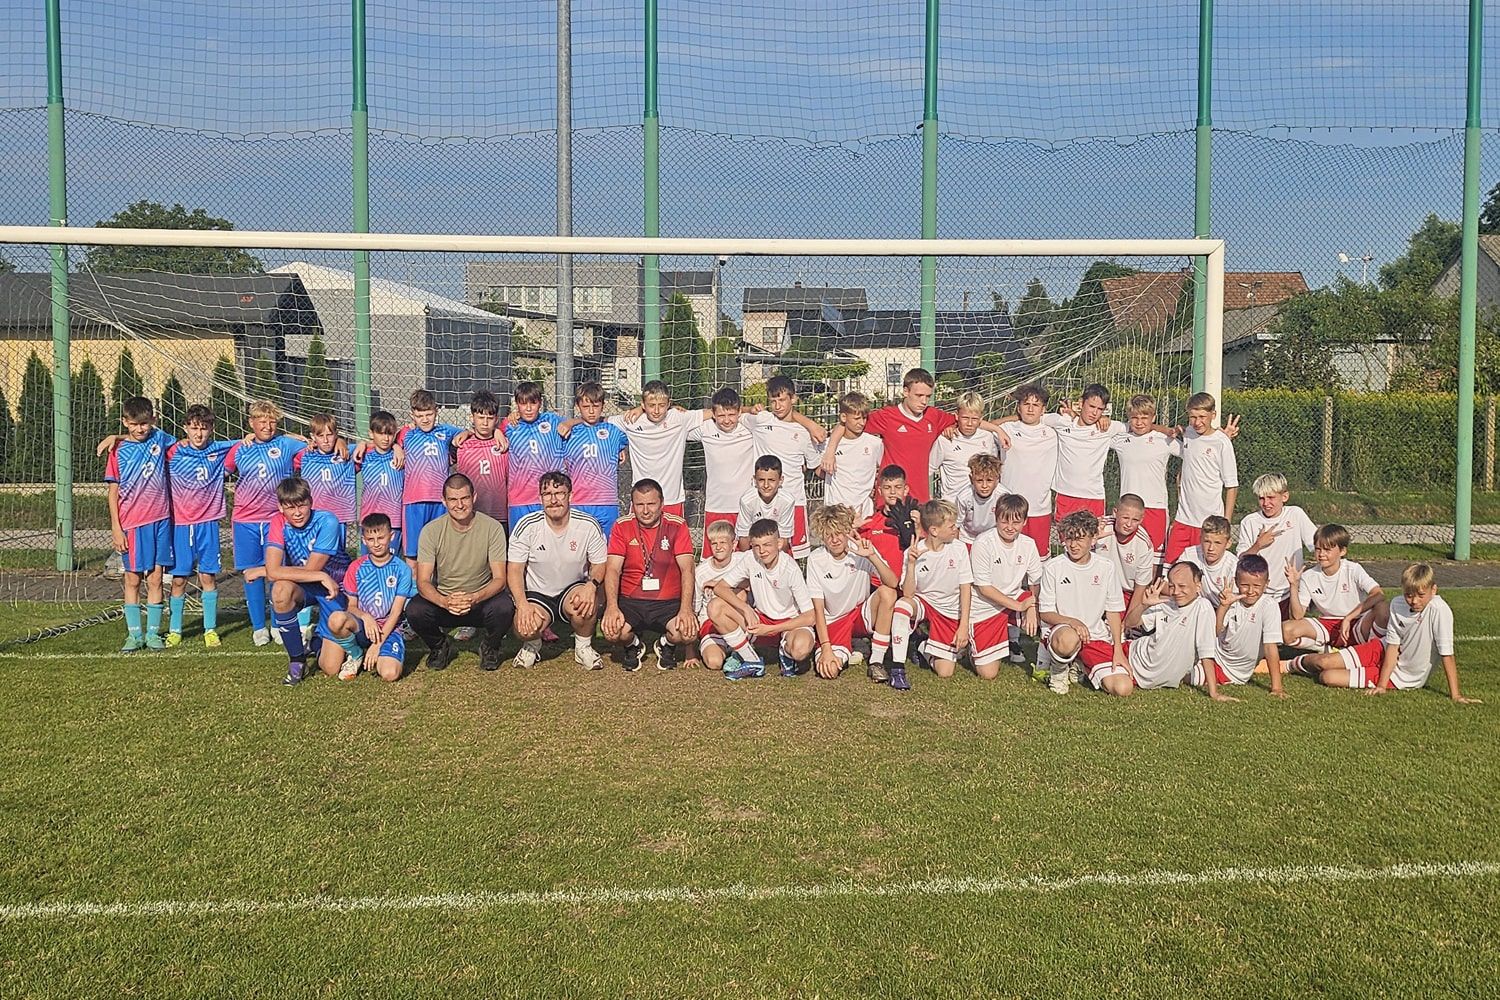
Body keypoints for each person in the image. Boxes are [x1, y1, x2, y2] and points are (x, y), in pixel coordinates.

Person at [1287, 563, 1480, 702]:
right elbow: (1392, 646)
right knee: (1324, 662)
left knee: (1327, 677)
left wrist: (1456, 696)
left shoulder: (1439, 610)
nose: (1414, 601)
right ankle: (1289, 665)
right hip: (1381, 649)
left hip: (1402, 676)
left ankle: (1325, 657)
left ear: (1434, 590)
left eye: (1421, 595)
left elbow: (1447, 655)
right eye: (1409, 595)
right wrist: (1380, 685)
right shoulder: (1397, 603)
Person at [405, 473, 515, 672]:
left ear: (474, 497)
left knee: (505, 607)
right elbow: (423, 581)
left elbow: (500, 579)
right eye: (453, 499)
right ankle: (439, 646)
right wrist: (444, 601)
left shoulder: (493, 527)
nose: (460, 505)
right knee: (415, 610)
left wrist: (475, 597)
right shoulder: (430, 531)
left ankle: (490, 646)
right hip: (446, 601)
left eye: (464, 498)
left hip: (480, 600)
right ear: (444, 501)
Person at [507, 471, 609, 670]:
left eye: (560, 493)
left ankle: (583, 647)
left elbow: (599, 563)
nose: (553, 500)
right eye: (547, 494)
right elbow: (514, 569)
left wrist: (591, 586)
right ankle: (532, 645)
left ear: (570, 496)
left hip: (573, 591)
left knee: (586, 603)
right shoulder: (527, 526)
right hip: (538, 594)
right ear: (540, 498)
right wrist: (522, 604)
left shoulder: (588, 525)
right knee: (523, 628)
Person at [226, 399, 308, 646]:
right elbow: (220, 466)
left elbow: (313, 445)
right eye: (262, 421)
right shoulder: (240, 448)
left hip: (276, 519)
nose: (267, 426)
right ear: (251, 423)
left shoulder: (286, 444)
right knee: (252, 574)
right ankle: (259, 627)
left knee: (278, 573)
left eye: (272, 421)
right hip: (245, 521)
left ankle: (280, 623)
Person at [601, 478, 698, 672]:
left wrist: (686, 609)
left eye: (651, 504)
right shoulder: (621, 526)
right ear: (633, 505)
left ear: (661, 504)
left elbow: (687, 569)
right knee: (613, 632)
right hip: (631, 600)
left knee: (688, 634)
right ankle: (633, 645)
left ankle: (666, 644)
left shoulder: (677, 525)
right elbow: (612, 569)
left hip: (667, 602)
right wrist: (611, 607)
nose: (645, 510)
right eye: (640, 505)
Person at [103, 396, 175, 652]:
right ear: (125, 422)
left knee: (155, 579)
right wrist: (116, 527)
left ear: (153, 420)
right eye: (133, 424)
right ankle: (134, 635)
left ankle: (153, 634)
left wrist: (116, 435)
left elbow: (183, 442)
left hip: (161, 520)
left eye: (144, 424)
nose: (139, 429)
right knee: (132, 579)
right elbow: (113, 493)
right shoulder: (117, 452)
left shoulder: (160, 438)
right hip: (132, 524)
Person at [264, 476, 351, 686]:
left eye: (302, 505)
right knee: (280, 591)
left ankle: (316, 640)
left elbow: (312, 569)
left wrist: (319, 575)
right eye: (290, 507)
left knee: (331, 667)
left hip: (336, 588)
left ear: (311, 502)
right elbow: (273, 573)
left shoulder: (327, 521)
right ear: (280, 507)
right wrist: (320, 576)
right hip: (310, 584)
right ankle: (297, 660)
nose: (297, 512)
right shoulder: (277, 522)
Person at [708, 518, 817, 680]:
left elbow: (810, 616)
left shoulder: (790, 568)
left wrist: (772, 629)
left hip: (789, 623)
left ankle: (785, 652)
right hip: (760, 620)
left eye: (767, 545)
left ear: (779, 543)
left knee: (800, 649)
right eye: (756, 546)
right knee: (715, 606)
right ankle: (751, 660)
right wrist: (746, 608)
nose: (762, 551)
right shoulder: (750, 558)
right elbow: (720, 587)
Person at [163, 404, 234, 647]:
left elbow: (248, 442)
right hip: (181, 526)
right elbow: (145, 439)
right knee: (179, 580)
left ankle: (210, 629)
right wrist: (115, 437)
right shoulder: (174, 451)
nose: (199, 434)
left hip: (208, 524)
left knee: (207, 576)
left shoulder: (219, 449)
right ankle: (175, 630)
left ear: (211, 429)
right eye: (194, 428)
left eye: (204, 428)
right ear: (185, 428)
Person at [1038, 510, 1127, 696]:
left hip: (1095, 636)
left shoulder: (1106, 567)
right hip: (1062, 632)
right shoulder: (1053, 567)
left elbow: (1113, 611)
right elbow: (1045, 613)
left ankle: (1080, 664)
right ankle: (1059, 670)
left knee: (1123, 688)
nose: (1073, 545)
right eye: (1069, 538)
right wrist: (1073, 622)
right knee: (1068, 638)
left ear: (1093, 539)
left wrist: (1118, 650)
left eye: (1079, 539)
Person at [806, 504, 899, 681]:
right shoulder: (816, 559)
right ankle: (854, 646)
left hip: (858, 615)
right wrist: (826, 647)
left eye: (839, 533)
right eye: (829, 535)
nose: (835, 540)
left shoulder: (860, 549)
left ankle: (876, 661)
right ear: (822, 536)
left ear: (848, 531)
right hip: (833, 622)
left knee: (888, 593)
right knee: (829, 671)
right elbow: (818, 608)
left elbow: (893, 582)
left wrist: (871, 556)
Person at [1118, 563, 1236, 700]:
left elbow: (1206, 651)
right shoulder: (1164, 603)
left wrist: (1214, 693)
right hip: (1131, 657)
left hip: (1151, 677)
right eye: (1172, 586)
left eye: (1182, 586)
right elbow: (1130, 623)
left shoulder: (1202, 607)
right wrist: (1144, 605)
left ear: (1198, 586)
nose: (1176, 591)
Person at [889, 499, 973, 690]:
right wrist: (911, 565)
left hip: (948, 609)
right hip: (923, 602)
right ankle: (897, 669)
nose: (955, 529)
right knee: (902, 605)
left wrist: (963, 626)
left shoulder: (959, 548)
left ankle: (920, 645)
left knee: (945, 671)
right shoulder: (914, 551)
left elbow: (965, 588)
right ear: (934, 530)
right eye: (951, 526)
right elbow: (908, 593)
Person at [323, 513, 416, 683]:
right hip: (362, 625)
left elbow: (396, 612)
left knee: (390, 673)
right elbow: (351, 606)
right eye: (371, 539)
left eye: (381, 538)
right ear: (364, 540)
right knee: (336, 620)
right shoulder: (356, 567)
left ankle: (379, 651)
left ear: (391, 536)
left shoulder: (402, 569)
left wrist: (377, 645)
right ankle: (355, 654)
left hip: (388, 628)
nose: (376, 544)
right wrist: (366, 617)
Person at [749, 375, 828, 557]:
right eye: (773, 401)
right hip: (764, 501)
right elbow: (736, 413)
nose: (777, 406)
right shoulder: (762, 420)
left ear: (793, 399)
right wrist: (751, 409)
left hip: (794, 501)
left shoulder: (805, 433)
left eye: (782, 400)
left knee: (795, 556)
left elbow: (815, 467)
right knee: (762, 553)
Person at [598, 379, 697, 520]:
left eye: (661, 405)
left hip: (671, 500)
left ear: (668, 404)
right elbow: (597, 420)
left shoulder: (679, 418)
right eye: (651, 405)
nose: (656, 411)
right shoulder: (631, 420)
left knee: (672, 535)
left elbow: (714, 413)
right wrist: (571, 423)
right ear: (643, 405)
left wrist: (672, 408)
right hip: (641, 500)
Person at [969, 493, 1044, 678]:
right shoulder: (983, 543)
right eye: (1004, 521)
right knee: (988, 674)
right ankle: (973, 650)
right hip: (985, 607)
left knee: (1048, 610)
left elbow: (1036, 581)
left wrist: (1033, 606)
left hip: (1015, 598)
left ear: (1024, 522)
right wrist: (1020, 606)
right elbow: (984, 588)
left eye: (1016, 522)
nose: (1010, 527)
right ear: (996, 518)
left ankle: (1049, 663)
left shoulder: (1028, 544)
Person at [1283, 523, 1387, 651]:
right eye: (1318, 549)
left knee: (1382, 608)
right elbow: (1297, 616)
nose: (1321, 554)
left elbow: (1378, 594)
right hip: (1328, 624)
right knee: (1286, 630)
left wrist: (1348, 618)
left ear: (1342, 551)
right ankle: (1327, 650)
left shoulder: (1353, 569)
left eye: (1327, 550)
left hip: (1358, 621)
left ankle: (1370, 650)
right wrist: (1293, 586)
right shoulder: (1308, 576)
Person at [1163, 392, 1238, 563]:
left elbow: (1231, 486)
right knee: (1170, 569)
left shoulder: (1222, 442)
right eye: (1193, 417)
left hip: (1209, 523)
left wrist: (1225, 522)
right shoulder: (1188, 433)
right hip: (1183, 519)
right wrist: (1175, 430)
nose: (1197, 422)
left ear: (1213, 415)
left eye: (1202, 417)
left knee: (1202, 572)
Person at [1109, 393, 1181, 563]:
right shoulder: (1120, 439)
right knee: (1126, 559)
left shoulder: (1165, 440)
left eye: (1144, 418)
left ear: (1153, 418)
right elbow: (1093, 433)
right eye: (1135, 418)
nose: (1139, 422)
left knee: (1153, 560)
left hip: (1155, 507)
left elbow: (1193, 452)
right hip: (1128, 509)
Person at [395, 388, 464, 565]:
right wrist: (396, 447)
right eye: (420, 416)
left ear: (436, 411)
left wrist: (464, 435)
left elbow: (466, 433)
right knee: (413, 554)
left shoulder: (446, 431)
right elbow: (384, 443)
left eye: (429, 414)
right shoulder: (406, 434)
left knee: (440, 551)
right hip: (413, 501)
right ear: (412, 415)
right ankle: (413, 583)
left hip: (440, 501)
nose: (425, 419)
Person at [689, 386, 759, 558]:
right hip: (716, 506)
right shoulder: (706, 429)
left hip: (745, 507)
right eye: (721, 415)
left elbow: (778, 422)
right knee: (713, 559)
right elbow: (676, 425)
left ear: (739, 412)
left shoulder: (750, 427)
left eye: (731, 414)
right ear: (713, 414)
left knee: (746, 560)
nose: (727, 420)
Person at [1235, 471, 1317, 610]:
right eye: (1261, 498)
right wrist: (1258, 545)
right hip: (1260, 593)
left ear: (1284, 496)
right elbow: (1241, 559)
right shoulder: (1249, 522)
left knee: (1291, 623)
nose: (1266, 503)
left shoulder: (1295, 514)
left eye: (1271, 497)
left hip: (1290, 590)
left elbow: (1317, 545)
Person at [560, 381, 628, 540]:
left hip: (607, 503)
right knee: (578, 548)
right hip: (578, 502)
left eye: (596, 406)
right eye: (586, 406)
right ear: (577, 406)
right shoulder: (568, 434)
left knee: (608, 549)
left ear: (603, 405)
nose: (591, 411)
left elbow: (634, 424)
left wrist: (622, 449)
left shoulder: (613, 432)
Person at [996, 382, 1059, 556]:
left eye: (1036, 405)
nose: (1030, 409)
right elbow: (980, 425)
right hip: (1010, 507)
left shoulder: (1053, 433)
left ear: (1043, 409)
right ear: (1019, 407)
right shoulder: (1007, 429)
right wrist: (1002, 426)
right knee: (1009, 556)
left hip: (1040, 508)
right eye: (1026, 404)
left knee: (1039, 558)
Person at [1211, 553, 1287, 697]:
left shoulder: (1268, 606)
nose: (1251, 591)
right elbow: (1215, 632)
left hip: (1229, 670)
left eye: (1256, 586)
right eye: (1245, 585)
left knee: (1182, 673)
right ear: (1236, 582)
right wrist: (1223, 606)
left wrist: (1277, 688)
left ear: (1266, 584)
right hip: (1213, 654)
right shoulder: (1231, 600)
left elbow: (1270, 647)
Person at [501, 380, 567, 526]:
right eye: (523, 403)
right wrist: (497, 432)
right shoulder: (510, 426)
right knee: (520, 539)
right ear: (517, 404)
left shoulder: (552, 421)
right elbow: (491, 432)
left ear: (540, 403)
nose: (529, 408)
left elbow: (578, 423)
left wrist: (570, 423)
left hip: (550, 498)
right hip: (520, 500)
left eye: (533, 403)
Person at [817, 391, 884, 521]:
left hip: (864, 511)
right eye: (856, 418)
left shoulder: (875, 443)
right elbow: (818, 470)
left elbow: (882, 470)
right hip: (836, 511)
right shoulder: (828, 445)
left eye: (864, 418)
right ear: (843, 417)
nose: (862, 423)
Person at [928, 391, 1000, 501]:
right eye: (965, 418)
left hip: (979, 504)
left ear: (981, 418)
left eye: (974, 419)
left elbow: (993, 471)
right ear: (957, 416)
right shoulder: (945, 439)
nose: (969, 423)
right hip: (952, 503)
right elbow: (929, 468)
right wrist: (926, 495)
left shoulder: (988, 438)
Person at [454, 389, 510, 528]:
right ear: (472, 417)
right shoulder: (462, 445)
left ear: (496, 419)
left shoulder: (503, 444)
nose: (485, 423)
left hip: (499, 515)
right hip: (471, 514)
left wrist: (498, 431)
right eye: (480, 417)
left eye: (490, 418)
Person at [295, 412, 356, 538]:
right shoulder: (305, 454)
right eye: (321, 436)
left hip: (339, 516)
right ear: (313, 436)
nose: (326, 440)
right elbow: (281, 442)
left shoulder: (347, 453)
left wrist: (341, 442)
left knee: (337, 550)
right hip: (314, 516)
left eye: (330, 435)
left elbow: (372, 445)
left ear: (336, 434)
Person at [693, 520, 744, 672]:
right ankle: (723, 648)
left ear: (734, 544)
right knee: (714, 663)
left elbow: (755, 584)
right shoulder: (701, 572)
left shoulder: (743, 561)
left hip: (737, 620)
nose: (718, 547)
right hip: (711, 622)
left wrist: (718, 585)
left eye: (723, 542)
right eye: (714, 543)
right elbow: (694, 609)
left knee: (741, 593)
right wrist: (690, 651)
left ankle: (741, 649)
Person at [1095, 493, 1157, 612]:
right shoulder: (1099, 527)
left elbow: (1140, 588)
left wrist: (1127, 620)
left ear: (1141, 519)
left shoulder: (1144, 545)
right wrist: (1091, 540)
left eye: (1135, 520)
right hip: (1097, 587)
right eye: (1125, 518)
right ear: (1115, 512)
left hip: (1126, 594)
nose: (1129, 524)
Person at [859, 464, 922, 580]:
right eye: (887, 487)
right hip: (880, 585)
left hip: (910, 583)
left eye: (898, 487)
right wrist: (852, 528)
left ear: (905, 490)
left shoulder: (917, 519)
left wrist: (918, 528)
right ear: (880, 490)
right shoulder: (869, 523)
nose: (893, 492)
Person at [357, 410, 405, 557]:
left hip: (393, 521)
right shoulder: (364, 455)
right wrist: (363, 443)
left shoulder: (401, 456)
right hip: (368, 519)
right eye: (381, 433)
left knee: (390, 561)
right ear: (371, 434)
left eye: (390, 434)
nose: (386, 438)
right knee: (367, 562)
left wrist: (397, 446)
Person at [735, 455, 796, 552]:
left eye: (771, 480)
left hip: (775, 548)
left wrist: (778, 559)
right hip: (754, 546)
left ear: (781, 480)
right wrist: (747, 558)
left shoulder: (787, 501)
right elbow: (743, 537)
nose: (766, 485)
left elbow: (784, 539)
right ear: (755, 480)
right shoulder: (747, 501)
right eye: (761, 480)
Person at [1180, 515, 1238, 608]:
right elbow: (1169, 585)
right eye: (1207, 541)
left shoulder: (1233, 566)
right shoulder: (1189, 555)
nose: (1211, 548)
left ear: (1228, 543)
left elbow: (1235, 603)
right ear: (1200, 539)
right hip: (1197, 606)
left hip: (1225, 609)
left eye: (1217, 543)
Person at [954, 453, 1004, 546]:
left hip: (993, 540)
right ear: (971, 479)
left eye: (989, 480)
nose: (984, 486)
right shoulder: (963, 497)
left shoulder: (1003, 496)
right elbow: (956, 526)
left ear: (997, 479)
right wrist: (957, 548)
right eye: (979, 480)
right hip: (968, 539)